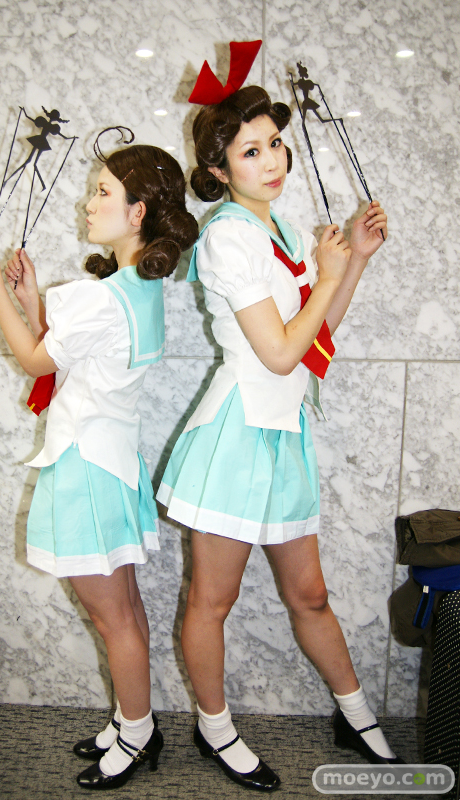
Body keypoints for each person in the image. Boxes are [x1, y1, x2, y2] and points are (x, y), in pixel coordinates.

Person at [156, 42, 397, 792]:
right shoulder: (227, 235)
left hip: (283, 433)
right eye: (251, 150)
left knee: (310, 595)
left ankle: (354, 715)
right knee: (212, 599)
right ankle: (215, 729)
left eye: (275, 144)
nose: (272, 160)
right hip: (236, 436)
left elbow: (313, 341)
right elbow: (279, 352)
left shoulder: (279, 230)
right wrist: (329, 276)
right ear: (218, 168)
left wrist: (352, 262)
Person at [0, 131, 198, 791]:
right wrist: (31, 299)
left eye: (101, 192)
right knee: (124, 607)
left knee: (112, 615)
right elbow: (76, 351)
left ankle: (136, 734)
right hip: (112, 464)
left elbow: (36, 359)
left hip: (87, 470)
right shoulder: (138, 291)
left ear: (137, 213)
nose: (87, 204)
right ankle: (132, 720)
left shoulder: (105, 296)